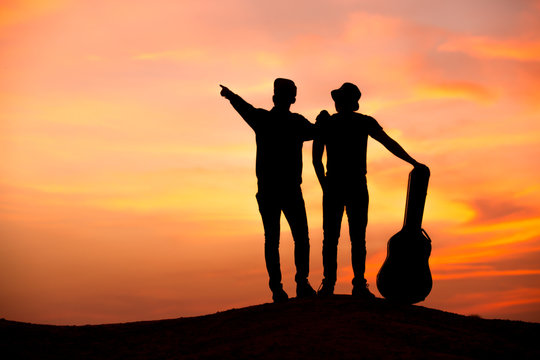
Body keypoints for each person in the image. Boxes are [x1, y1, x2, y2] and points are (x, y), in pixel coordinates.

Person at [313, 82, 427, 298]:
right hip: (344, 186)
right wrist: (324, 185)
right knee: (347, 238)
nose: (338, 103)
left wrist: (412, 161)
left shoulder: (340, 123)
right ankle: (343, 284)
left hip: (345, 186)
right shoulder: (342, 123)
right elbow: (316, 158)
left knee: (341, 238)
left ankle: (342, 284)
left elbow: (317, 160)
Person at [220, 78, 317, 302]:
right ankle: (297, 284)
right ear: (291, 99)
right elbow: (318, 132)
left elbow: (243, 107)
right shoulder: (293, 122)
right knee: (297, 237)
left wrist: (230, 95)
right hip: (286, 190)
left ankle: (282, 288)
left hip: (272, 190)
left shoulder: (266, 119)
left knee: (275, 239)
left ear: (276, 97)